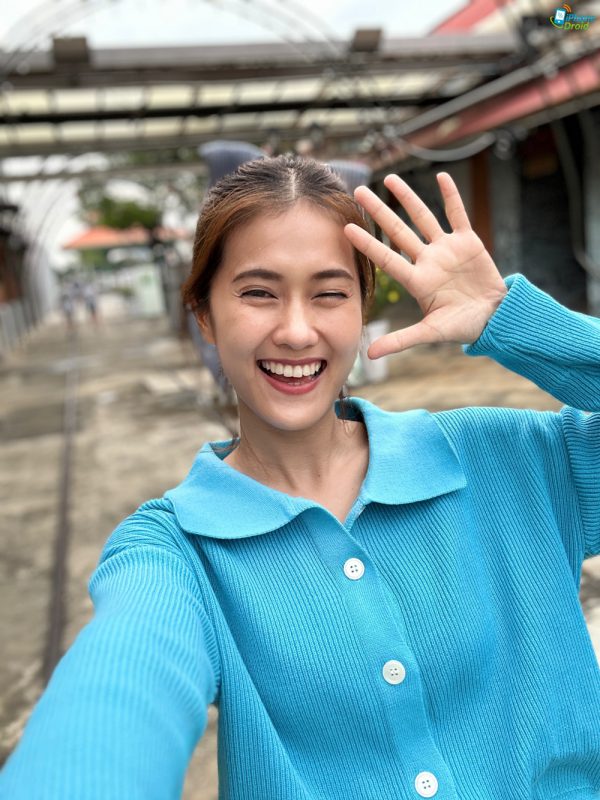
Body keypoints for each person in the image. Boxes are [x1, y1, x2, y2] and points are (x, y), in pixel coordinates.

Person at [1, 155, 599, 800]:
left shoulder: (508, 461)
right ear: (203, 314)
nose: (295, 331)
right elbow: (117, 693)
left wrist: (508, 318)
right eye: (258, 293)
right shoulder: (178, 552)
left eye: (329, 293)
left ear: (362, 308)